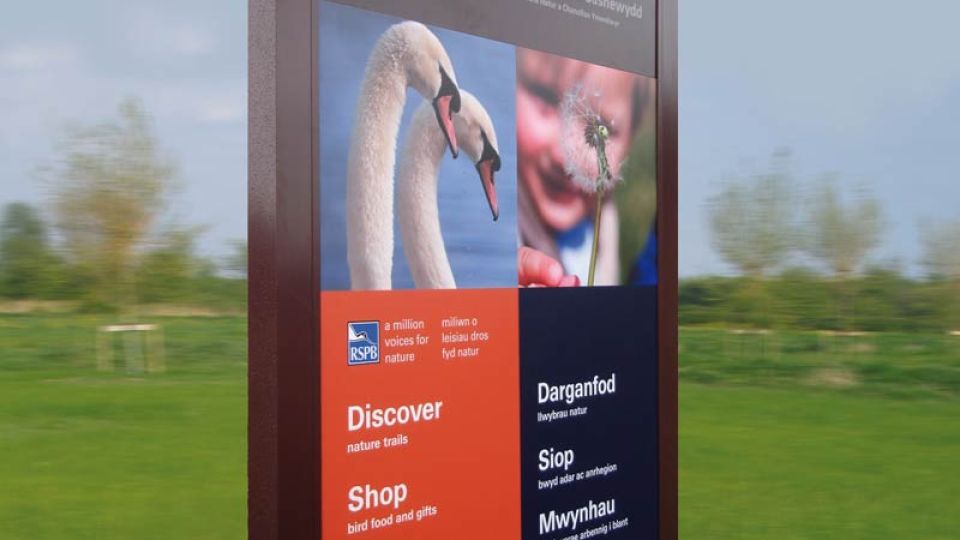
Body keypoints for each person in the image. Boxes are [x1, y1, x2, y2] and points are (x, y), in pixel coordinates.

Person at [515, 49, 650, 287]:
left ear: (630, 142)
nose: (563, 157)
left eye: (600, 126)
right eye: (545, 98)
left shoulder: (605, 234)